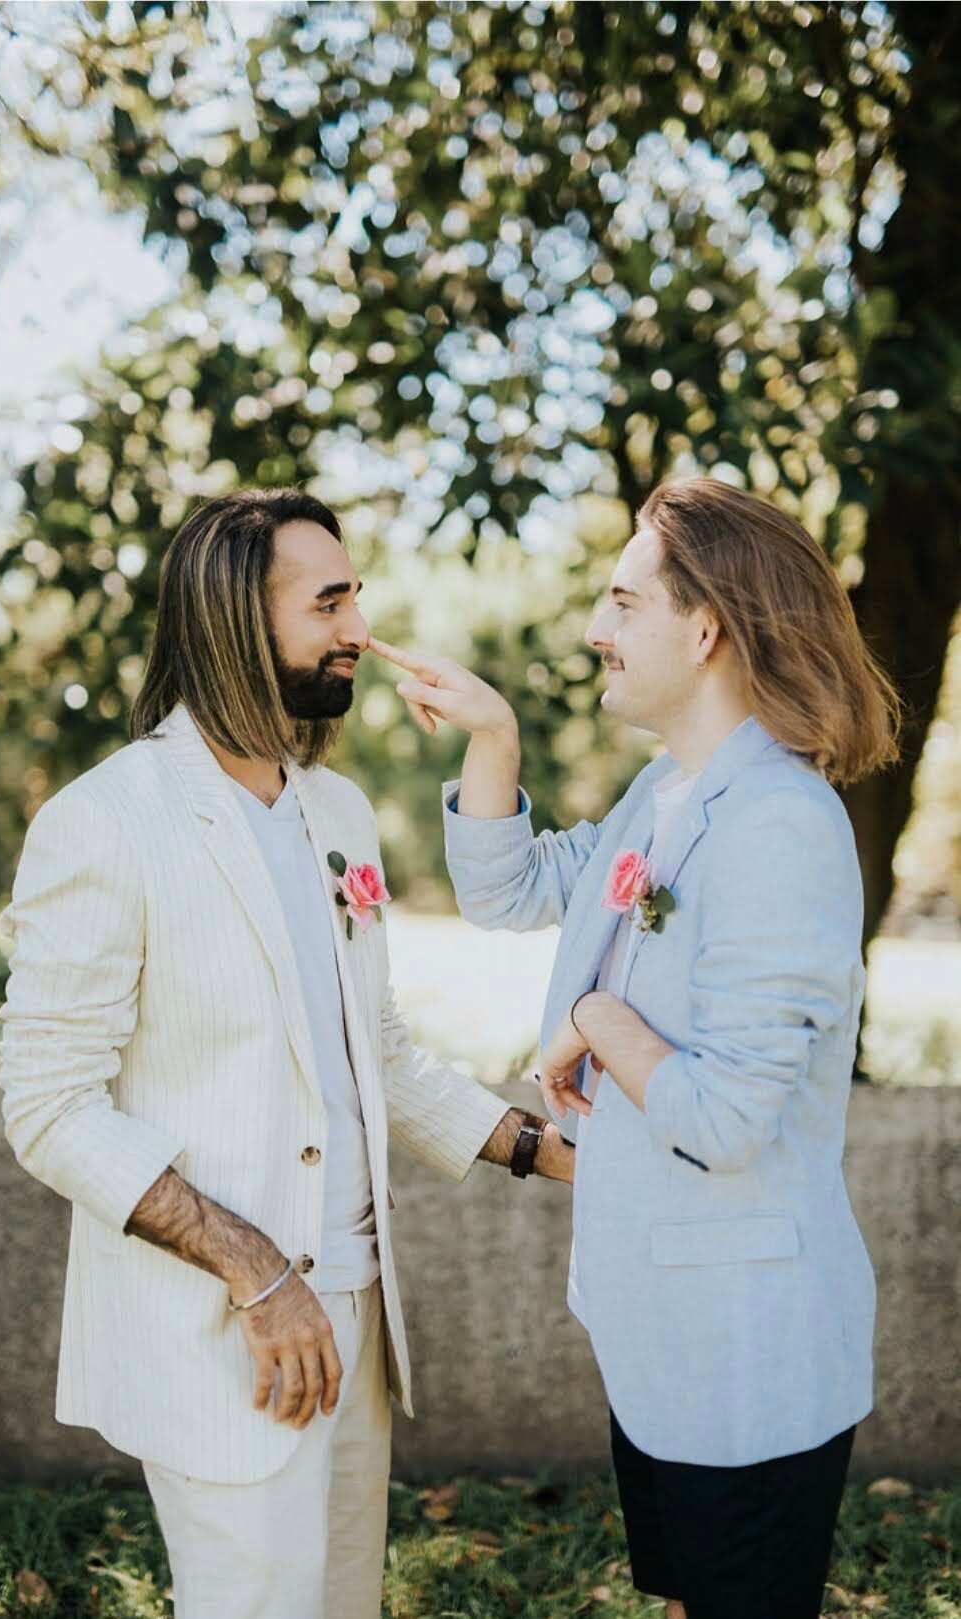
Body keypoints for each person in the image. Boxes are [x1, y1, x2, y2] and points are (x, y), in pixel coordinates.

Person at [0, 487, 574, 1619]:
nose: (359, 628)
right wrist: (257, 1274)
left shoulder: (339, 812)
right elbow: (50, 1107)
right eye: (329, 603)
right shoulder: (105, 818)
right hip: (225, 1321)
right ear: (233, 617)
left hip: (359, 1318)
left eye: (355, 597)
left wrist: (548, 1151)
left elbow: (375, 1049)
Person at [370, 476, 901, 1619]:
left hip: (747, 1343)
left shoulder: (778, 824)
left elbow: (723, 1120)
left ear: (706, 628)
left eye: (622, 601)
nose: (594, 629)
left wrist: (598, 1020)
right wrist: (494, 733)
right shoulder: (666, 791)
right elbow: (510, 891)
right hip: (665, 1323)